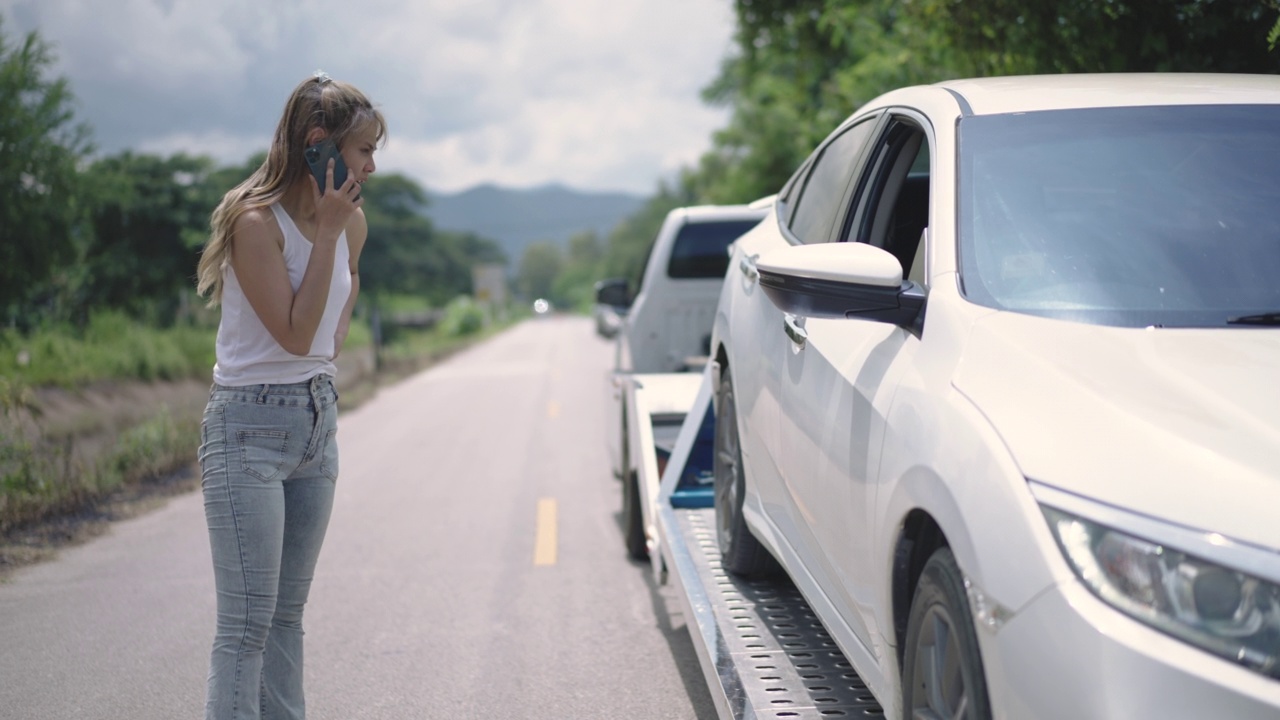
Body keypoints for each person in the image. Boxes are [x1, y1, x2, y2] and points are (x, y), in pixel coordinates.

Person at [193, 70, 384, 720]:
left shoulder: (351, 227)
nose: (372, 167)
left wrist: (336, 235)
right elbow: (299, 335)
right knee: (246, 627)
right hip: (246, 430)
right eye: (363, 151)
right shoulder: (255, 224)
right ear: (318, 144)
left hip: (315, 426)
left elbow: (330, 338)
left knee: (286, 620)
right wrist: (327, 235)